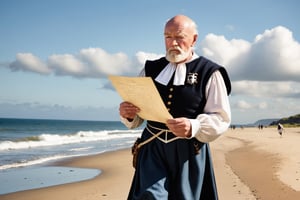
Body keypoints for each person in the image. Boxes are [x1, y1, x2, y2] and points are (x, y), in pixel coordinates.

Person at [119, 15, 231, 200]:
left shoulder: (210, 72)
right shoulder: (150, 69)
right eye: (168, 37)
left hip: (188, 151)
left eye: (179, 37)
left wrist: (193, 126)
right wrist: (128, 114)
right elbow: (137, 115)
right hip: (152, 147)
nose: (173, 42)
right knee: (150, 197)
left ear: (194, 39)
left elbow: (221, 118)